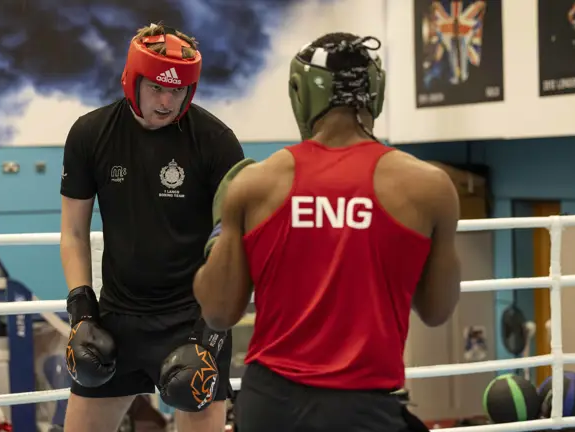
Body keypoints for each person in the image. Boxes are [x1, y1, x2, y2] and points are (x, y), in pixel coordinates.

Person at [192, 32, 462, 431]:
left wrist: (221, 236)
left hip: (268, 406)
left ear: (299, 93)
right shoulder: (428, 187)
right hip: (362, 409)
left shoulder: (255, 184)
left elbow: (217, 312)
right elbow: (438, 311)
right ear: (376, 92)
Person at [60, 22, 245, 432]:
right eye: (158, 88)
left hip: (192, 318)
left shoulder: (215, 141)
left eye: (178, 90)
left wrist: (210, 333)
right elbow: (73, 232)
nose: (167, 101)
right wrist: (81, 312)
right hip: (116, 316)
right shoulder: (90, 134)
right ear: (132, 78)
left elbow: (234, 245)